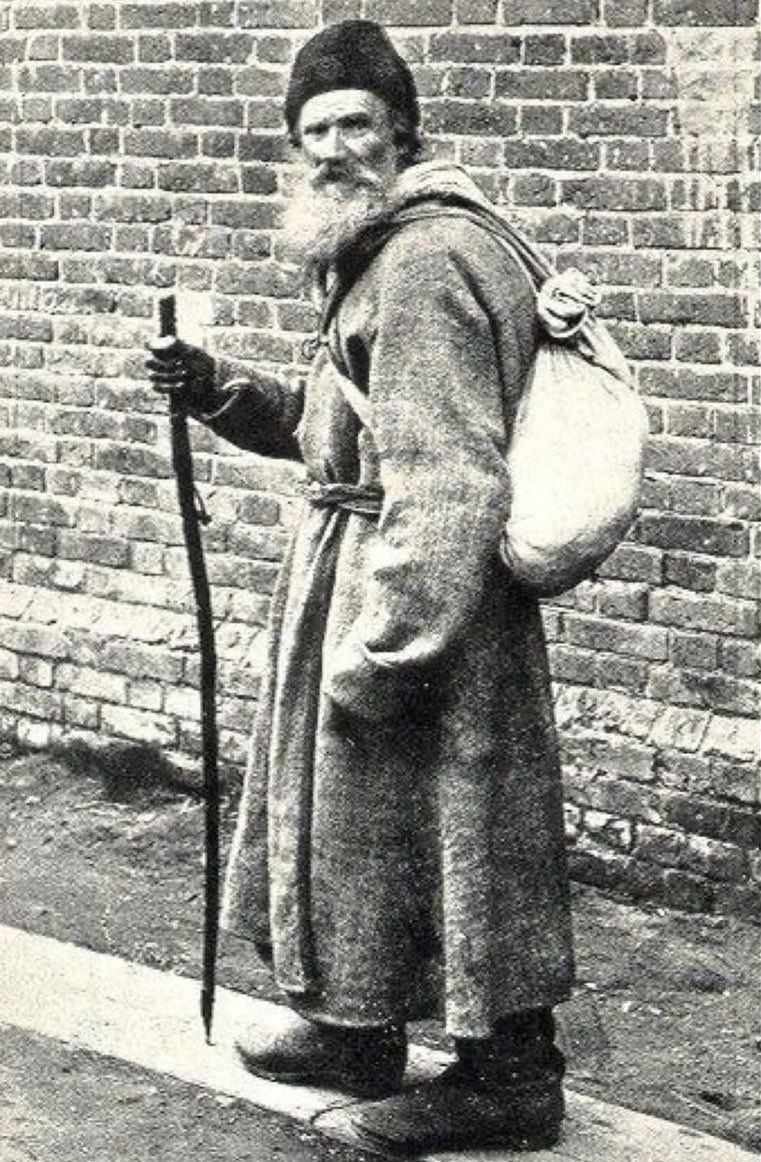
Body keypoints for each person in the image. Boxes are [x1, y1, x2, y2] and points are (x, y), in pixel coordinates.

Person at [146, 20, 575, 1155]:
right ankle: (357, 1027)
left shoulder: (429, 260)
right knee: (367, 827)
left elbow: (448, 480)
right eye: (313, 132)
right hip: (372, 567)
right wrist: (215, 388)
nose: (333, 149)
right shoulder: (373, 251)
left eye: (354, 125)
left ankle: (508, 1078)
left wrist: (390, 645)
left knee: (460, 825)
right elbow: (327, 428)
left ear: (402, 132)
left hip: (425, 594)